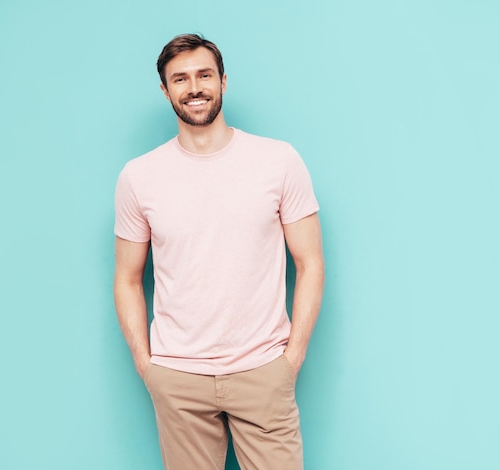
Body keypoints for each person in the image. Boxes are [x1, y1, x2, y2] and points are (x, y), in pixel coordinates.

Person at [113, 33, 324, 470]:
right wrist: (147, 367)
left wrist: (292, 358)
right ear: (165, 90)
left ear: (223, 81)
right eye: (180, 79)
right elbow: (127, 277)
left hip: (263, 368)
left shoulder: (278, 161)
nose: (194, 88)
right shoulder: (139, 177)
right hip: (178, 376)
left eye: (204, 75)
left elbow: (311, 263)